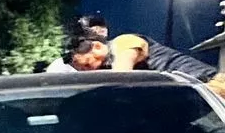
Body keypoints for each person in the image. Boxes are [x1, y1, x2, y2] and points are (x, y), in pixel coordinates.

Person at [70, 30, 225, 95]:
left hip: (211, 87)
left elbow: (121, 76)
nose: (87, 72)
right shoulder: (107, 65)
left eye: (87, 65)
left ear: (97, 46)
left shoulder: (123, 42)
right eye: (81, 70)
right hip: (189, 97)